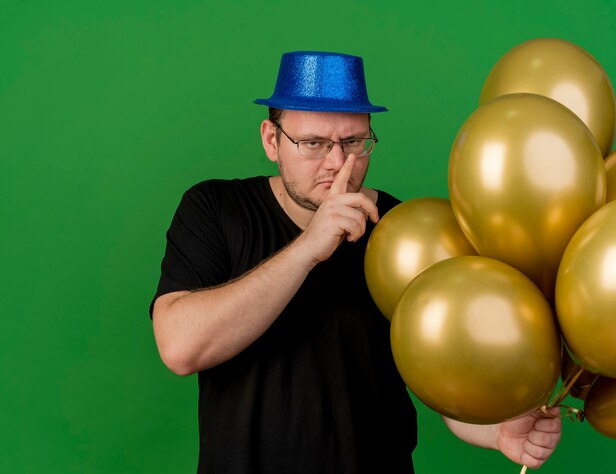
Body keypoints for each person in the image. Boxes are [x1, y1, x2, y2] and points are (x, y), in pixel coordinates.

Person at [150, 51, 562, 473]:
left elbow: (437, 364)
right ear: (271, 140)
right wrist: (308, 248)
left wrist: (493, 429)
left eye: (353, 143)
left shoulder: (401, 231)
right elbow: (180, 348)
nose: (337, 162)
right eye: (313, 143)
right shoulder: (215, 208)